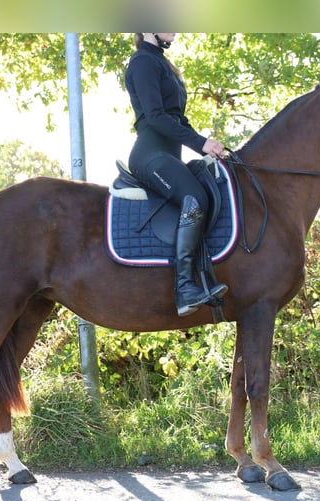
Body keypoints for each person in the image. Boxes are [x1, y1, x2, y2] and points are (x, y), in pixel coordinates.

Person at [124, 33, 229, 317]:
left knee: (207, 187)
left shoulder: (163, 63)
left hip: (170, 156)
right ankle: (184, 288)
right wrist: (200, 143)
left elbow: (178, 120)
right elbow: (156, 118)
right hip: (149, 156)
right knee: (193, 197)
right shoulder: (143, 62)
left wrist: (208, 146)